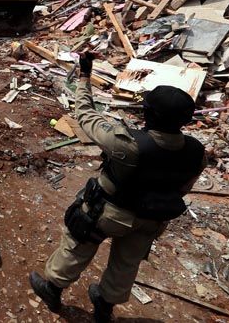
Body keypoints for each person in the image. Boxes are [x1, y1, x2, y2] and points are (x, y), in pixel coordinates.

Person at [29, 52, 206, 322]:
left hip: (110, 212)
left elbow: (86, 114)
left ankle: (53, 288)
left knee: (78, 245)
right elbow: (184, 187)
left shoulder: (127, 144)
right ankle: (104, 306)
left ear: (148, 113)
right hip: (152, 218)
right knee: (126, 263)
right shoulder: (196, 152)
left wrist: (85, 76)